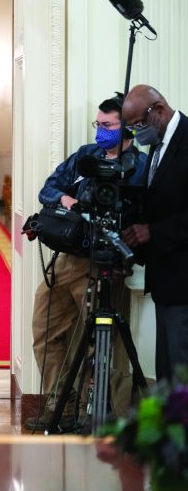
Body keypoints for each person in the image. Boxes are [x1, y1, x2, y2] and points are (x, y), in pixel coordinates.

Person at [25, 93, 147, 431]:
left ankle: (93, 413)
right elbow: (49, 188)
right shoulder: (86, 155)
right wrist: (65, 198)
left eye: (107, 125)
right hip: (66, 258)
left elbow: (137, 213)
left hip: (103, 260)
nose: (100, 131)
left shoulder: (138, 166)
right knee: (45, 331)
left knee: (93, 344)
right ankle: (57, 408)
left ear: (127, 130)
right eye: (98, 124)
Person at [122, 85, 188, 382]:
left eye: (138, 125)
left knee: (179, 374)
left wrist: (153, 231)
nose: (137, 134)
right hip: (164, 279)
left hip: (183, 282)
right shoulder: (157, 144)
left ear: (158, 110)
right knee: (166, 373)